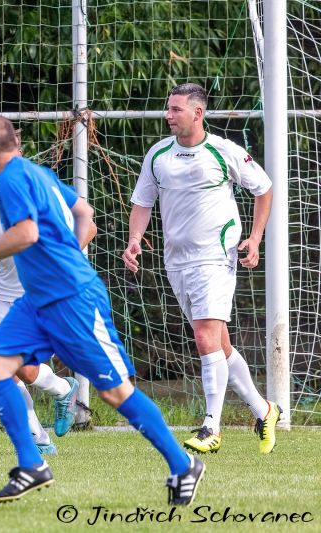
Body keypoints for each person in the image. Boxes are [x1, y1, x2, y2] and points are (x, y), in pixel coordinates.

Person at [0, 114, 203, 505]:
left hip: (72, 300)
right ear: (15, 142)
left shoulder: (11, 179)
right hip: (38, 301)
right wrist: (70, 250)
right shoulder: (37, 172)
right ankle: (32, 463)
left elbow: (27, 232)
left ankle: (182, 464)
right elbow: (84, 212)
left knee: (115, 393)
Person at [122, 83, 281, 455]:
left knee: (205, 338)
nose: (168, 115)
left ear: (198, 113)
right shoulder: (158, 154)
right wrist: (134, 239)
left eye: (176, 109)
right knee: (219, 345)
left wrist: (255, 238)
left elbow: (264, 188)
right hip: (176, 260)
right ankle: (264, 410)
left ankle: (212, 426)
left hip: (216, 255)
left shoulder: (223, 150)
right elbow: (142, 202)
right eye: (168, 108)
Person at [0, 165, 88, 454]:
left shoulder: (40, 185)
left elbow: (87, 226)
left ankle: (62, 390)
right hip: (5, 293)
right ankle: (39, 437)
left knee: (24, 369)